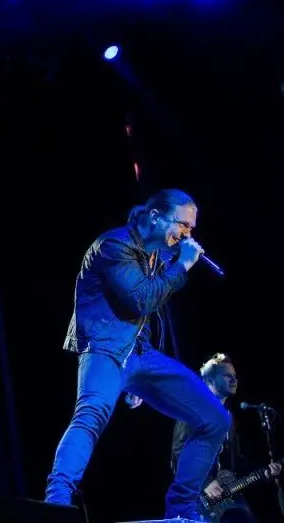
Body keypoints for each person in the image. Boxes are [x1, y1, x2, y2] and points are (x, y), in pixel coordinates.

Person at [44, 188, 232, 520]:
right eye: (184, 226)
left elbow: (149, 313)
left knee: (215, 418)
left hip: (143, 354)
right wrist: (183, 265)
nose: (187, 234)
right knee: (90, 416)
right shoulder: (113, 246)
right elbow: (141, 300)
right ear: (156, 216)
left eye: (191, 229)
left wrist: (139, 382)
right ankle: (56, 502)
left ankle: (183, 509)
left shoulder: (156, 252)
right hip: (106, 350)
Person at [171, 354, 281, 523]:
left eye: (235, 376)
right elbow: (178, 454)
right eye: (227, 375)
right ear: (210, 380)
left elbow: (236, 462)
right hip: (197, 499)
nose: (233, 380)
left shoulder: (228, 417)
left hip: (228, 498)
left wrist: (263, 472)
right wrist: (205, 483)